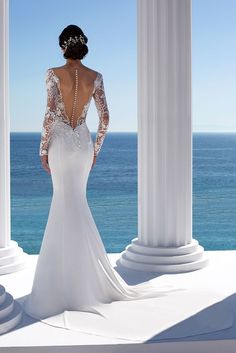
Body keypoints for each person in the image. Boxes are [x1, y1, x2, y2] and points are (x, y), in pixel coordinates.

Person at [22, 25, 177, 340]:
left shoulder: (52, 73)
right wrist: (95, 149)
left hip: (61, 145)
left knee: (62, 204)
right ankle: (84, 281)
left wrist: (41, 150)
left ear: (62, 46)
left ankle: (62, 286)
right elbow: (105, 117)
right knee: (76, 203)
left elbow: (50, 113)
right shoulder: (96, 76)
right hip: (82, 143)